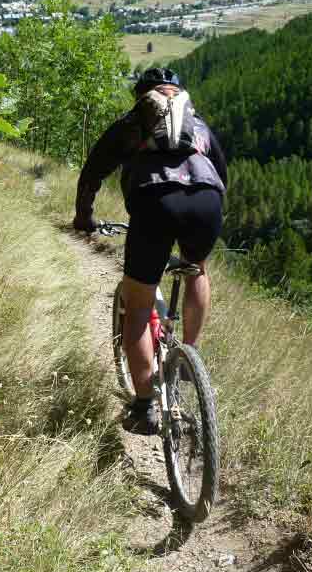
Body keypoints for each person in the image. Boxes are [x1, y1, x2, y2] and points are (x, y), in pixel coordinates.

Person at [72, 67, 227, 435]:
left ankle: (144, 407)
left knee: (138, 305)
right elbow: (222, 171)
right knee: (197, 270)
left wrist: (84, 218)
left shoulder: (134, 120)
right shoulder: (198, 122)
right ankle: (190, 353)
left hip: (154, 202)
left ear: (142, 95)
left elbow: (93, 172)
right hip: (207, 201)